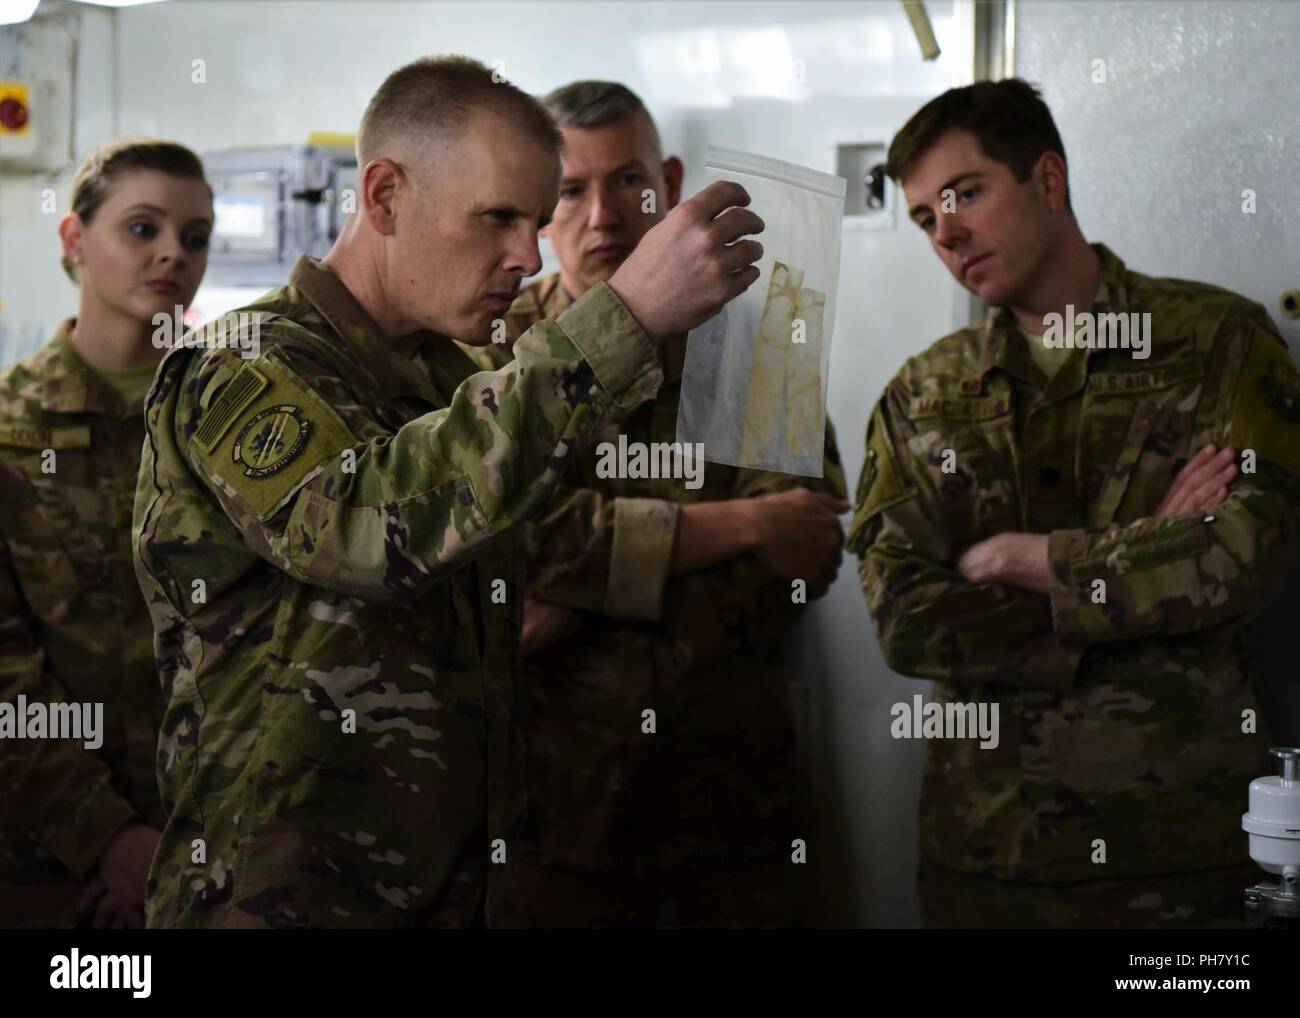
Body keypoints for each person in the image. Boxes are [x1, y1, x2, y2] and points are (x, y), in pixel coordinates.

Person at [131, 55, 765, 928]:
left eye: (536, 221)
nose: (527, 254)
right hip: (287, 901)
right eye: (499, 216)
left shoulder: (452, 380)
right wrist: (622, 319)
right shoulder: (244, 362)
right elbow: (364, 525)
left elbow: (542, 549)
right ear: (385, 196)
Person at [848, 78, 1300, 928]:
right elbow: (906, 619)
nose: (945, 234)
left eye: (965, 194)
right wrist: (1149, 546)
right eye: (923, 219)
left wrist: (1028, 560)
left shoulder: (1217, 343)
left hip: (1179, 858)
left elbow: (1248, 559)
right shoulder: (923, 394)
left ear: (1048, 180)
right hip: (988, 858)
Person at [460, 81, 847, 927]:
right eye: (569, 189)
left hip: (732, 807)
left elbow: (803, 559)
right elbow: (488, 543)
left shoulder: (753, 349)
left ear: (667, 182)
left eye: (627, 182)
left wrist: (581, 597)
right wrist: (736, 527)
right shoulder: (490, 352)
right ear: (538, 206)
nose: (603, 217)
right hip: (547, 807)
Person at [0, 139, 213, 928]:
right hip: (53, 866)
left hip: (220, 849)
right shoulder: (10, 430)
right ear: (74, 241)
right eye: (142, 228)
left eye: (194, 237)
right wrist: (108, 838)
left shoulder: (225, 421)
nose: (172, 254)